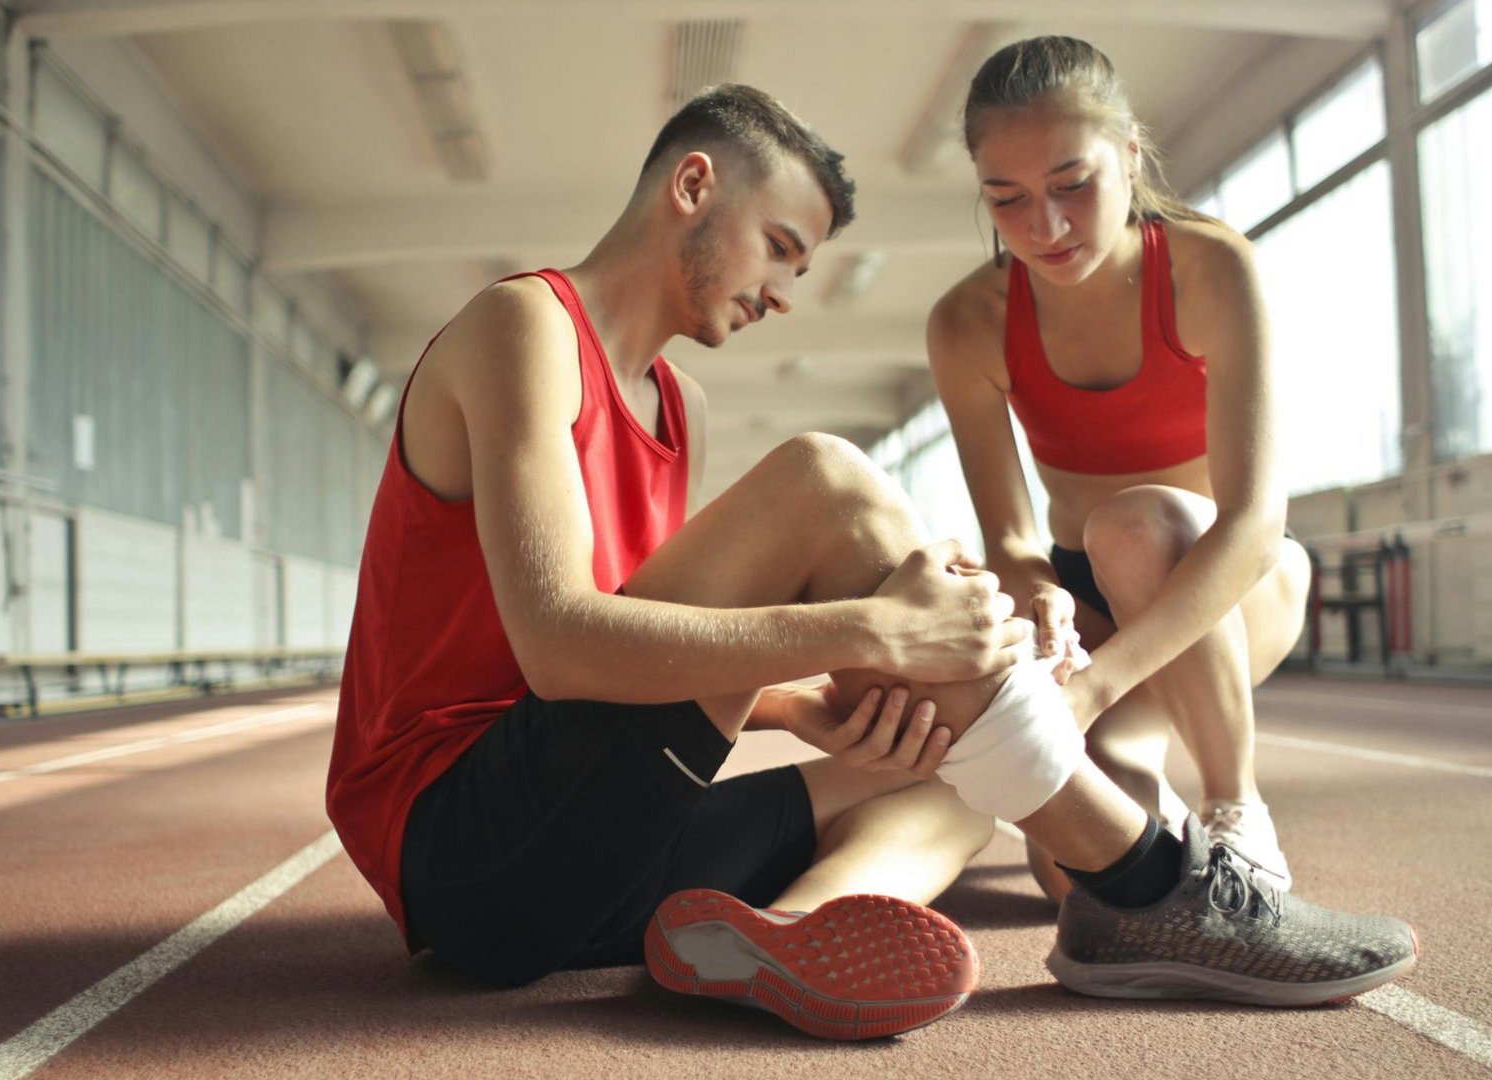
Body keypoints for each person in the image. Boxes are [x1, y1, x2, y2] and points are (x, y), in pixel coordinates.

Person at [327, 84, 1415, 1044]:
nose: (785, 294)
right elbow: (562, 650)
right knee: (822, 479)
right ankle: (1147, 881)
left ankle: (790, 933)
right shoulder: (524, 327)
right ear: (694, 186)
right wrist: (870, 634)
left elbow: (640, 665)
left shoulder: (680, 407)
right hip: (468, 853)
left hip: (587, 870)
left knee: (951, 764)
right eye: (781, 248)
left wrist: (806, 706)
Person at [927, 36, 1312, 898]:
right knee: (1076, 879)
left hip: (1234, 584)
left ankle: (1234, 804)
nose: (1045, 227)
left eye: (1072, 185)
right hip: (1091, 601)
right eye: (1007, 199)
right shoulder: (968, 323)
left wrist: (1096, 687)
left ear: (1130, 155)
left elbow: (1254, 526)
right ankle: (1145, 772)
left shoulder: (1213, 269)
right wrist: (1041, 596)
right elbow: (1014, 536)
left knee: (1136, 525)